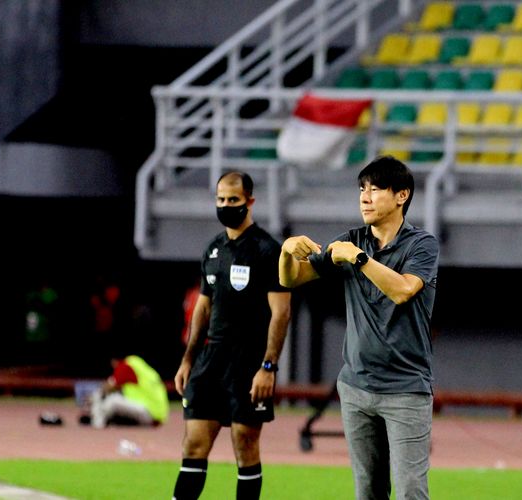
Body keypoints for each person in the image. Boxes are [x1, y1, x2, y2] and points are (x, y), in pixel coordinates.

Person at [279, 155, 440, 500]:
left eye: (376, 189)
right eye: (362, 190)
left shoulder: (421, 245)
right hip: (356, 388)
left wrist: (358, 258)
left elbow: (402, 290)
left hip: (406, 389)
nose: (365, 197)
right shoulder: (352, 240)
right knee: (367, 491)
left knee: (411, 490)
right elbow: (291, 279)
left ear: (402, 196)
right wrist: (286, 251)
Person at [172, 171, 291, 500]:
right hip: (211, 359)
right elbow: (203, 308)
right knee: (194, 443)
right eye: (221, 200)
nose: (226, 206)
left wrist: (268, 368)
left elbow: (281, 313)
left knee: (245, 442)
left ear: (250, 201)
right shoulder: (213, 249)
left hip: (249, 361)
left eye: (233, 200)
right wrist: (188, 360)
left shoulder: (268, 250)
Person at [87, 351, 170, 428]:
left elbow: (107, 387)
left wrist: (91, 398)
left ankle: (97, 423)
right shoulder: (138, 364)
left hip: (149, 413)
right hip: (157, 414)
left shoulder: (126, 365)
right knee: (117, 398)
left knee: (112, 400)